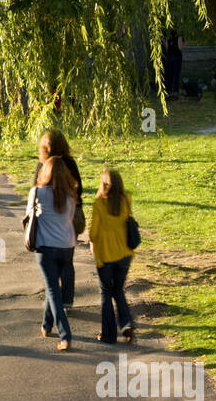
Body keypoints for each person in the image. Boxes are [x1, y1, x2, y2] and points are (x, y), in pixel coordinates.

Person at [28, 153, 77, 350]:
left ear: (44, 172)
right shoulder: (71, 195)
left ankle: (65, 336)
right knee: (53, 288)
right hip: (67, 246)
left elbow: (29, 215)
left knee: (52, 290)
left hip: (45, 247)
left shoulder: (38, 192)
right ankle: (46, 326)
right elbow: (71, 218)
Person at [33, 131, 83, 310]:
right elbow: (80, 189)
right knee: (67, 262)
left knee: (50, 263)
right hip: (68, 219)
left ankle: (52, 299)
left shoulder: (42, 164)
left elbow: (35, 188)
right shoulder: (69, 163)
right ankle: (67, 299)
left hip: (47, 222)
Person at [89, 168, 135, 345]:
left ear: (104, 185)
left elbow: (93, 233)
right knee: (119, 290)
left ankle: (108, 335)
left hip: (106, 256)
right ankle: (126, 323)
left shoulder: (100, 204)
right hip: (124, 255)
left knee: (106, 293)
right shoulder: (127, 200)